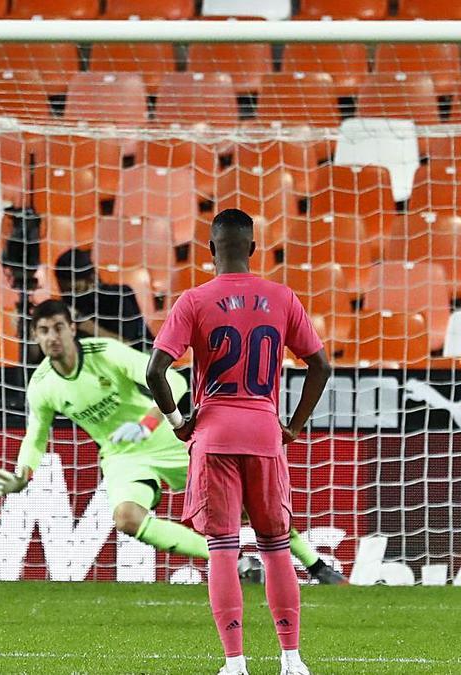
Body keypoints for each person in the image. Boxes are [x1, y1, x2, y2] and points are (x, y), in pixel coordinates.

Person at [0, 300, 341, 585]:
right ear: (35, 336)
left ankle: (316, 566)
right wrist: (22, 474)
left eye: (58, 327)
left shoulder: (105, 353)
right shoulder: (42, 385)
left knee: (249, 506)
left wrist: (148, 421)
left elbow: (175, 380)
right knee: (126, 518)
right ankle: (230, 559)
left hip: (162, 437)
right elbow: (36, 437)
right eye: (44, 331)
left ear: (72, 328)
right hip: (121, 456)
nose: (52, 337)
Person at [146, 209, 332, 675]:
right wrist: (294, 425)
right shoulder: (282, 297)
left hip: (214, 433)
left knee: (224, 549)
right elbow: (320, 366)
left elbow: (155, 371)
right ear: (252, 249)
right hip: (265, 433)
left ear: (210, 250)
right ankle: (291, 659)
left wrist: (176, 422)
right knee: (275, 547)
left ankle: (235, 663)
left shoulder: (193, 300)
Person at [54, 247, 152, 351]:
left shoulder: (117, 297)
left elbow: (126, 345)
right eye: (62, 290)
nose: (68, 295)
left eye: (74, 289)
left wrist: (82, 323)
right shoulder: (65, 306)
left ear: (91, 279)